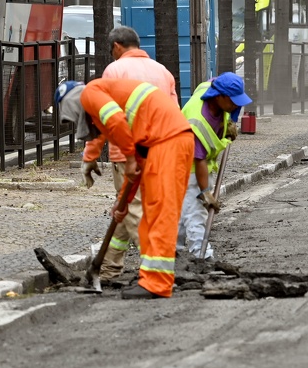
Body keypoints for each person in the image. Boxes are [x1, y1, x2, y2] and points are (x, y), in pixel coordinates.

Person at [55, 78, 194, 300]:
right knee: (150, 217)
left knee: (160, 214)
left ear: (71, 104)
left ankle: (157, 283)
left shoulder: (90, 93)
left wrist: (128, 158)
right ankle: (151, 280)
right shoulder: (131, 120)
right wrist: (123, 203)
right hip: (161, 145)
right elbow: (135, 168)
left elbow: (114, 120)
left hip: (167, 143)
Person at [80, 26, 177, 283]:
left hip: (127, 154)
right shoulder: (163, 71)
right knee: (123, 208)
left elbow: (105, 118)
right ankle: (110, 268)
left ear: (116, 47)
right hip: (159, 151)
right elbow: (173, 111)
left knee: (133, 209)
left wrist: (90, 155)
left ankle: (157, 270)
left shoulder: (114, 71)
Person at [177, 72, 251, 259]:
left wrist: (230, 124)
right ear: (220, 96)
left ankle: (170, 251)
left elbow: (213, 82)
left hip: (187, 164)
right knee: (196, 212)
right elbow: (199, 160)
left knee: (180, 211)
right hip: (188, 167)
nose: (237, 105)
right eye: (233, 101)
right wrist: (206, 192)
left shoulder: (210, 88)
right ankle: (202, 255)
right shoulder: (197, 122)